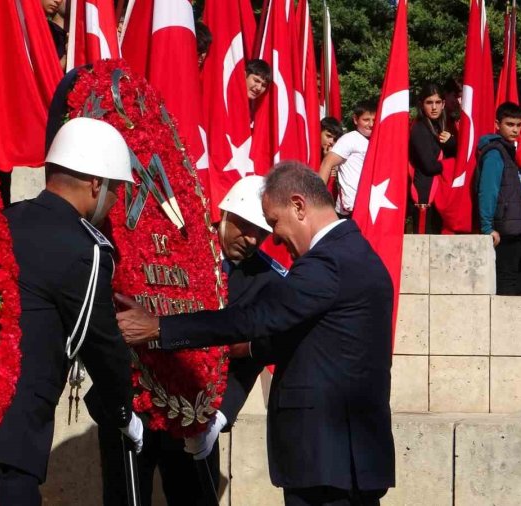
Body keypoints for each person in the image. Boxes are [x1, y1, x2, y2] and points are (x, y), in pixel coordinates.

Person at [117, 162, 396, 505]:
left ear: (298, 206)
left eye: (274, 223)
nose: (274, 237)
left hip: (329, 456)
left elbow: (255, 318)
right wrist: (250, 349)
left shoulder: (328, 263)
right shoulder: (356, 253)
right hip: (344, 455)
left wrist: (158, 328)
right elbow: (307, 337)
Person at [0, 118, 142, 506]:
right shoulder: (86, 249)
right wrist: (124, 411)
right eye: (117, 190)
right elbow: (103, 346)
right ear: (97, 183)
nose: (115, 203)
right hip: (9, 448)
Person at [180, 176, 288, 462]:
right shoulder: (182, 248)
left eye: (261, 232)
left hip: (205, 412)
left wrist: (219, 416)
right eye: (246, 227)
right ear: (226, 214)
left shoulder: (269, 281)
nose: (252, 239)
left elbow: (250, 357)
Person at [476, 102, 521, 296]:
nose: (515, 129)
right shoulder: (494, 153)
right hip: (504, 232)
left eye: (518, 124)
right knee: (507, 286)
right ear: (497, 124)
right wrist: (487, 227)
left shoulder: (513, 152)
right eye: (510, 124)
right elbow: (487, 191)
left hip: (520, 230)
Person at [408, 84, 457, 234]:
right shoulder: (419, 128)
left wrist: (452, 142)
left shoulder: (442, 127)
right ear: (422, 105)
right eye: (429, 103)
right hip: (425, 195)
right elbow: (429, 166)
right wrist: (454, 164)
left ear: (443, 104)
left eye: (437, 102)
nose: (434, 107)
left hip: (441, 193)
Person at [317, 99, 378, 219]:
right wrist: (318, 199)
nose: (370, 124)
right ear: (356, 119)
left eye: (374, 120)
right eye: (366, 120)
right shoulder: (349, 139)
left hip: (372, 206)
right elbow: (327, 163)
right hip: (351, 209)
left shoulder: (378, 141)